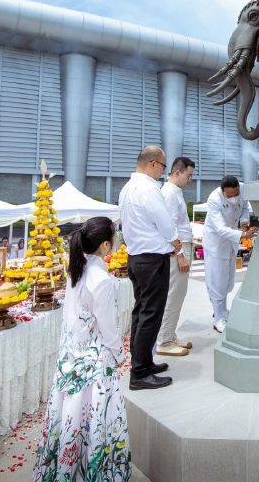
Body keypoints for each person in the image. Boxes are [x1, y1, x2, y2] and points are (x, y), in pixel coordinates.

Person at [33, 217, 131, 481]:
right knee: (95, 424)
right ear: (106, 246)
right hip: (96, 363)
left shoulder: (77, 268)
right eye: (116, 237)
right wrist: (120, 354)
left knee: (71, 420)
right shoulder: (101, 279)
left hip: (71, 357)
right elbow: (108, 327)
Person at [118, 146, 181, 391]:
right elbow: (163, 220)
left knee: (141, 313)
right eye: (163, 167)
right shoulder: (148, 188)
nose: (163, 173)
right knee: (150, 315)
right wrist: (175, 241)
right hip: (152, 259)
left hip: (136, 257)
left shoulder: (126, 188)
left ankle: (141, 363)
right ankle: (141, 373)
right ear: (154, 164)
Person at [202, 176, 257, 333]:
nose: (233, 198)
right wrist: (243, 236)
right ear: (222, 191)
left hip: (231, 241)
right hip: (216, 243)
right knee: (216, 282)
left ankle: (223, 310)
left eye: (235, 194)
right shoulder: (214, 199)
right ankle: (217, 318)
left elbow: (245, 207)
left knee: (227, 280)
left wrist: (244, 221)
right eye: (229, 196)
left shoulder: (243, 189)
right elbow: (219, 228)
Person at [157, 157, 196, 357]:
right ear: (177, 172)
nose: (191, 179)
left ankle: (169, 334)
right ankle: (164, 340)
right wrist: (180, 255)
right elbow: (170, 227)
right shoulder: (169, 193)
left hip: (182, 247)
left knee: (178, 295)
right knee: (174, 295)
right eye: (189, 175)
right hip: (177, 251)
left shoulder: (175, 192)